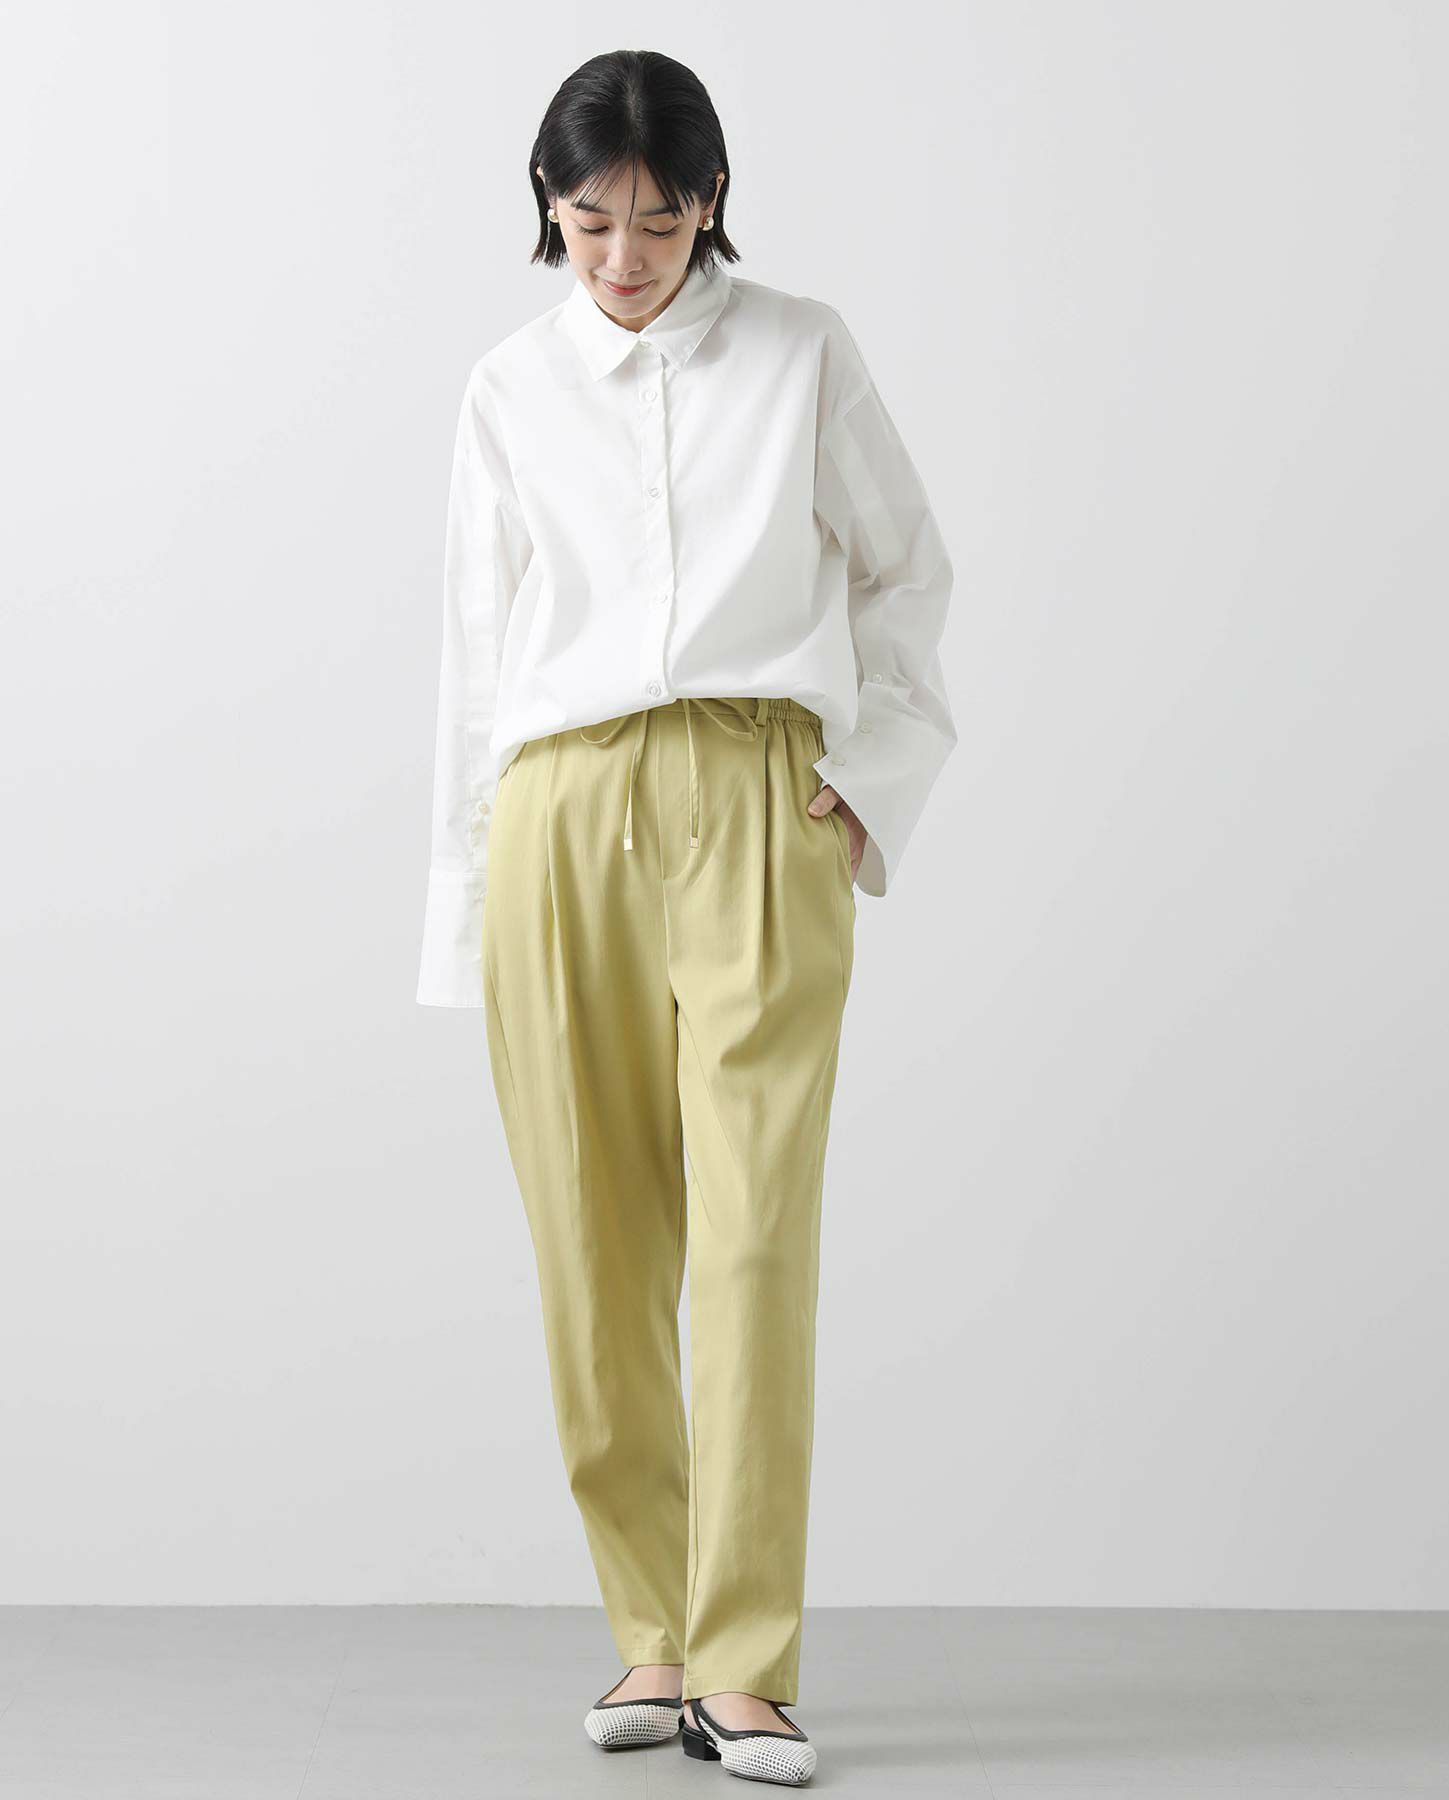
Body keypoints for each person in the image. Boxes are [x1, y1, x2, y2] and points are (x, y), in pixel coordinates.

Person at [416, 48, 957, 1788]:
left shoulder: (800, 351)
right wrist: (467, 905)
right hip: (560, 813)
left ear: (711, 201)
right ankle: (652, 1632)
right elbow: (476, 657)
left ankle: (746, 1662)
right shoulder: (509, 388)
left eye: (659, 220)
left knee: (751, 1234)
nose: (626, 256)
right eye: (592, 223)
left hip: (754, 797)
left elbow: (908, 568)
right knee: (592, 1241)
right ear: (550, 209)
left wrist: (867, 784)